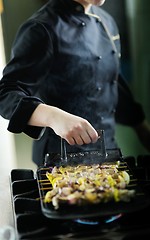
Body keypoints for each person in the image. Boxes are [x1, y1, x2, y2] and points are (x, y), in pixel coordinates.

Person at [0, 0, 150, 167]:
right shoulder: (40, 28)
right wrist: (53, 117)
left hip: (108, 153)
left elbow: (111, 82)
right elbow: (6, 95)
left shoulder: (106, 22)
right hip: (60, 160)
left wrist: (142, 128)